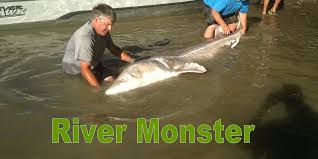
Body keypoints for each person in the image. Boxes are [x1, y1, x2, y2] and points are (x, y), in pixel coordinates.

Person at [62, 4, 135, 88]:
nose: (110, 28)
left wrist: (133, 61)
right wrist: (99, 91)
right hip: (76, 71)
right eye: (107, 24)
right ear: (96, 20)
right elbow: (85, 69)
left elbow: (113, 49)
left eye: (111, 24)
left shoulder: (102, 30)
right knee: (110, 84)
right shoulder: (84, 38)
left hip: (94, 64)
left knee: (115, 80)